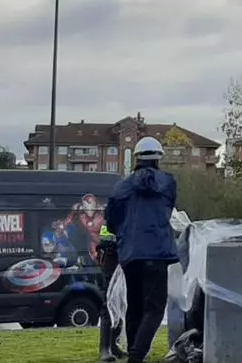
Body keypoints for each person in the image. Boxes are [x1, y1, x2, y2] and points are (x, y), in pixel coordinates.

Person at [105, 137, 179, 363]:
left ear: (135, 157)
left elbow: (111, 222)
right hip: (157, 252)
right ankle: (137, 355)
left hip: (131, 254)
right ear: (158, 157)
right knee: (155, 307)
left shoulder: (120, 187)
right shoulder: (168, 182)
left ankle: (135, 354)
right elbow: (167, 210)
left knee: (134, 306)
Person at [95, 224, 126, 362]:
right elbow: (105, 239)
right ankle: (105, 348)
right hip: (112, 260)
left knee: (121, 304)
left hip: (126, 258)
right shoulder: (117, 210)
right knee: (108, 305)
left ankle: (114, 345)